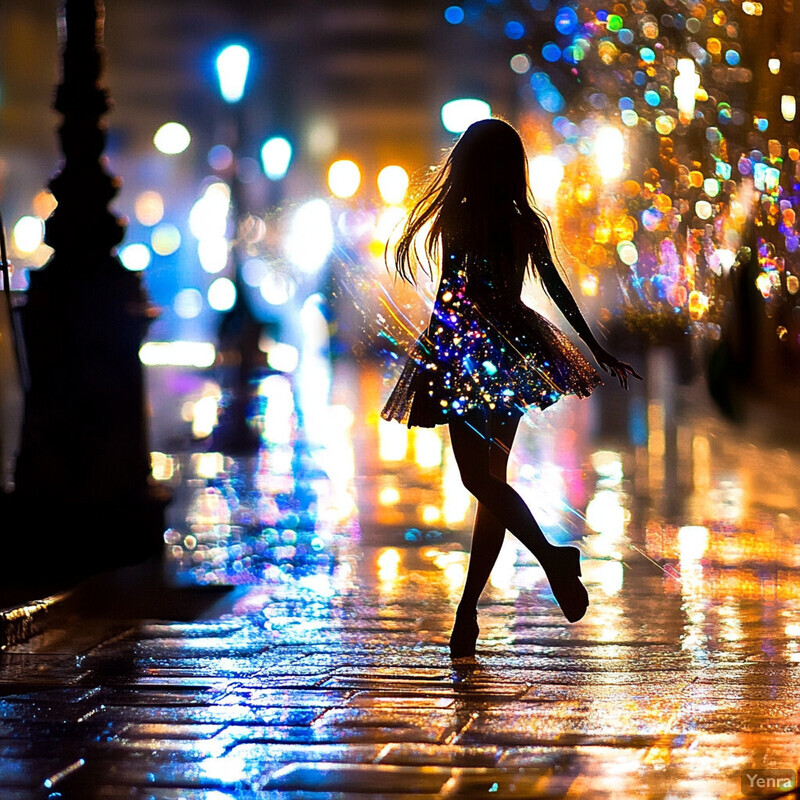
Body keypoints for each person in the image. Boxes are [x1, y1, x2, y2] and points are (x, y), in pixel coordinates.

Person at [380, 118, 641, 658]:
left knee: (479, 480)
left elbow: (452, 294)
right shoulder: (524, 222)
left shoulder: (459, 216)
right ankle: (468, 612)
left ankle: (549, 558)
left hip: (467, 349)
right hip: (514, 349)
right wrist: (594, 348)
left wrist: (439, 354)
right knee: (489, 484)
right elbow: (556, 291)